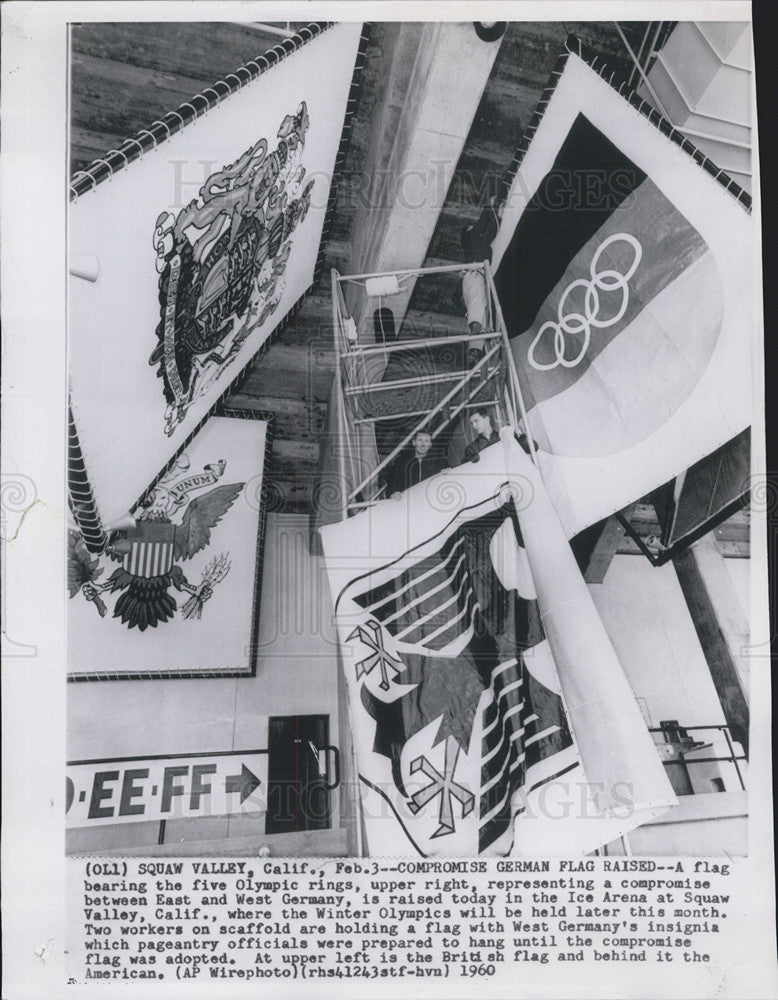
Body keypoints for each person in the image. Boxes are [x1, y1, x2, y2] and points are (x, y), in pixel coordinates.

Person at [387, 430, 447, 496]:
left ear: (430, 445)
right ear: (414, 442)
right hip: (407, 500)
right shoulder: (401, 461)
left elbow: (445, 478)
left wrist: (447, 472)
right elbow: (392, 481)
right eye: (420, 440)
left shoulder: (438, 460)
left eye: (426, 441)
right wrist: (394, 492)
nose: (423, 444)